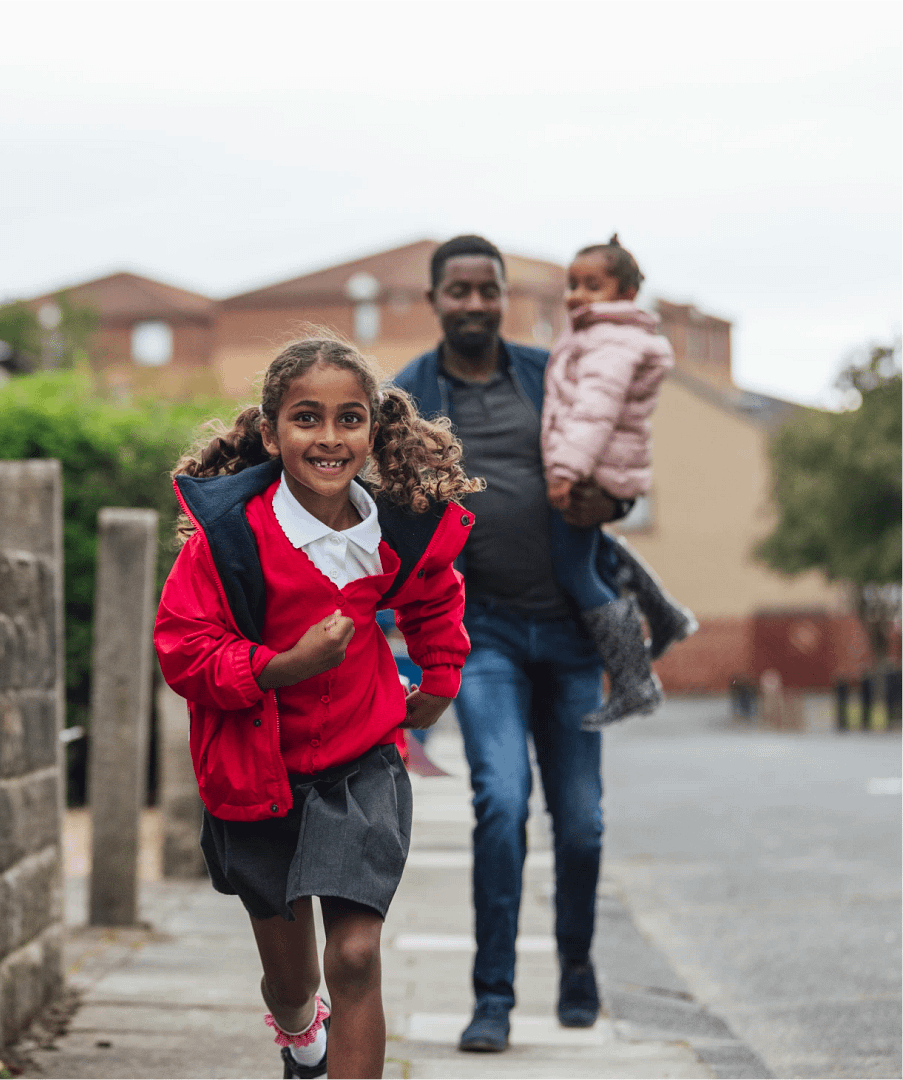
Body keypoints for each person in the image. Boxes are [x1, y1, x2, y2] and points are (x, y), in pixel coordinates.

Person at [154, 336, 482, 1080]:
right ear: (271, 434)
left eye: (349, 419)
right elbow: (183, 649)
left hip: (359, 763)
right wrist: (282, 666)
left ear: (373, 431)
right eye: (307, 419)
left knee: (357, 955)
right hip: (256, 776)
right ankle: (303, 1039)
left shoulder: (395, 526)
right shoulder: (229, 539)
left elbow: (435, 592)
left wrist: (440, 675)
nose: (329, 439)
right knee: (294, 982)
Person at [392, 234, 685, 1052]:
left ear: (503, 297)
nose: (475, 304)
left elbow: (616, 455)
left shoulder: (549, 370)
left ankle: (579, 963)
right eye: (460, 291)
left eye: (489, 290)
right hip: (479, 633)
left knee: (583, 824)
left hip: (570, 634)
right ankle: (493, 997)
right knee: (501, 803)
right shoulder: (409, 397)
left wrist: (609, 508)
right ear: (436, 300)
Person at [543, 234, 697, 728]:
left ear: (626, 294)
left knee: (575, 572)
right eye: (572, 283)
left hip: (595, 468)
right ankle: (667, 615)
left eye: (593, 284)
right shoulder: (596, 330)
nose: (577, 293)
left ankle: (634, 683)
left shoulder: (611, 341)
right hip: (604, 466)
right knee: (591, 554)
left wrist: (566, 469)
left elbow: (594, 411)